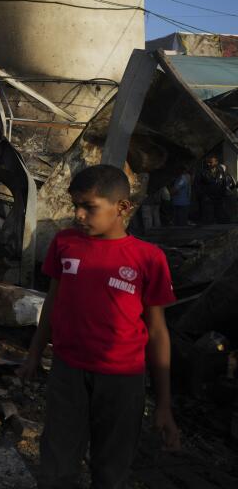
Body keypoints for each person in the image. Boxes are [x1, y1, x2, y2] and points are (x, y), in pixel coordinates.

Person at [18, 164, 180, 489]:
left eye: (88, 207)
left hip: (122, 380)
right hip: (68, 371)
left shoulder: (148, 258)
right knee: (56, 465)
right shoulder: (65, 244)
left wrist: (163, 404)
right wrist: (34, 354)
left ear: (122, 207)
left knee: (111, 469)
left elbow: (158, 331)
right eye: (75, 205)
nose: (78, 214)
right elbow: (53, 303)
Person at [194, 154, 236, 224]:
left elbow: (225, 183)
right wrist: (203, 196)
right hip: (208, 198)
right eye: (208, 162)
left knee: (220, 217)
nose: (208, 164)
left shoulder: (221, 171)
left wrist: (224, 193)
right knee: (208, 218)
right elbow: (197, 185)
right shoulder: (202, 172)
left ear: (216, 162)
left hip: (219, 198)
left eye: (210, 162)